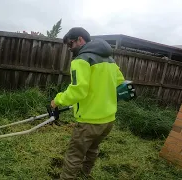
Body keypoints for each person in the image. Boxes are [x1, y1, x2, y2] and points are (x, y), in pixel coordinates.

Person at [50, 27, 125, 179]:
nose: (70, 49)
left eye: (70, 44)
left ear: (80, 39)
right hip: (108, 120)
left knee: (74, 155)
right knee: (93, 149)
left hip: (89, 122)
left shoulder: (81, 60)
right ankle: (85, 174)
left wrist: (57, 101)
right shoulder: (110, 60)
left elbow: (78, 91)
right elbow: (120, 83)